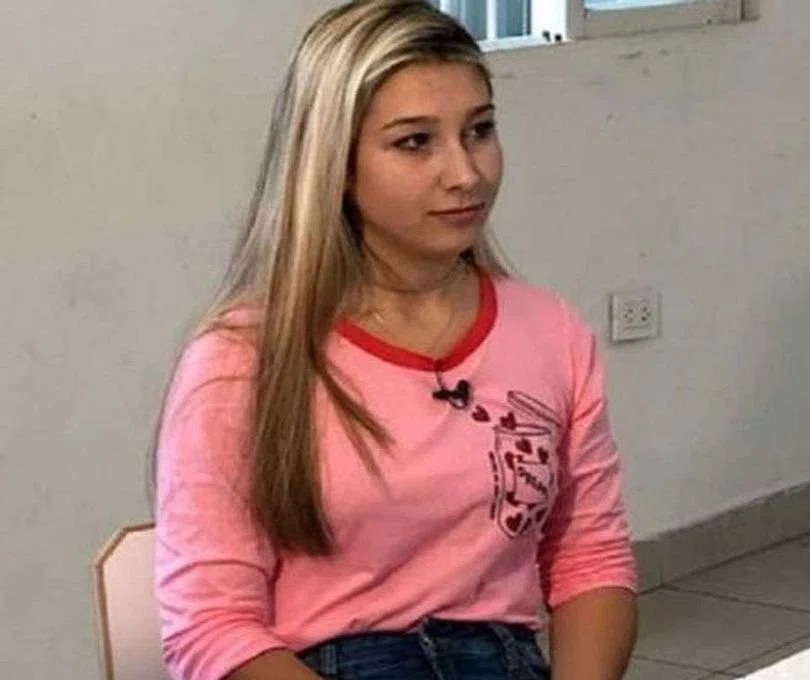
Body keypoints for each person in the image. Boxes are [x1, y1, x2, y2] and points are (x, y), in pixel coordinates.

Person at [153, 2, 638, 679]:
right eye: (415, 143)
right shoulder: (242, 360)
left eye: (479, 130)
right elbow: (211, 627)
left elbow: (591, 558)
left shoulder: (551, 332)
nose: (465, 173)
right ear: (337, 166)